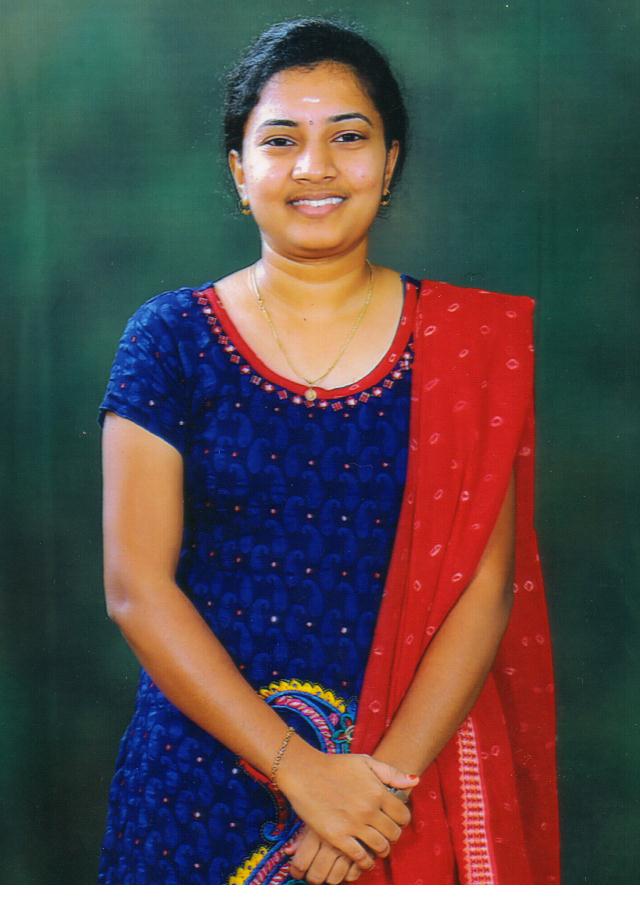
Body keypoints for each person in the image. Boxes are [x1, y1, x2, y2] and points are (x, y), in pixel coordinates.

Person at [96, 17, 559, 885]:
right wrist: (301, 772)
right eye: (280, 141)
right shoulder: (170, 339)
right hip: (196, 786)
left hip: (400, 787)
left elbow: (482, 592)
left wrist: (375, 798)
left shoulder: (464, 348)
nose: (315, 166)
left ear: (390, 162)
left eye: (348, 137)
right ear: (240, 171)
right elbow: (136, 590)